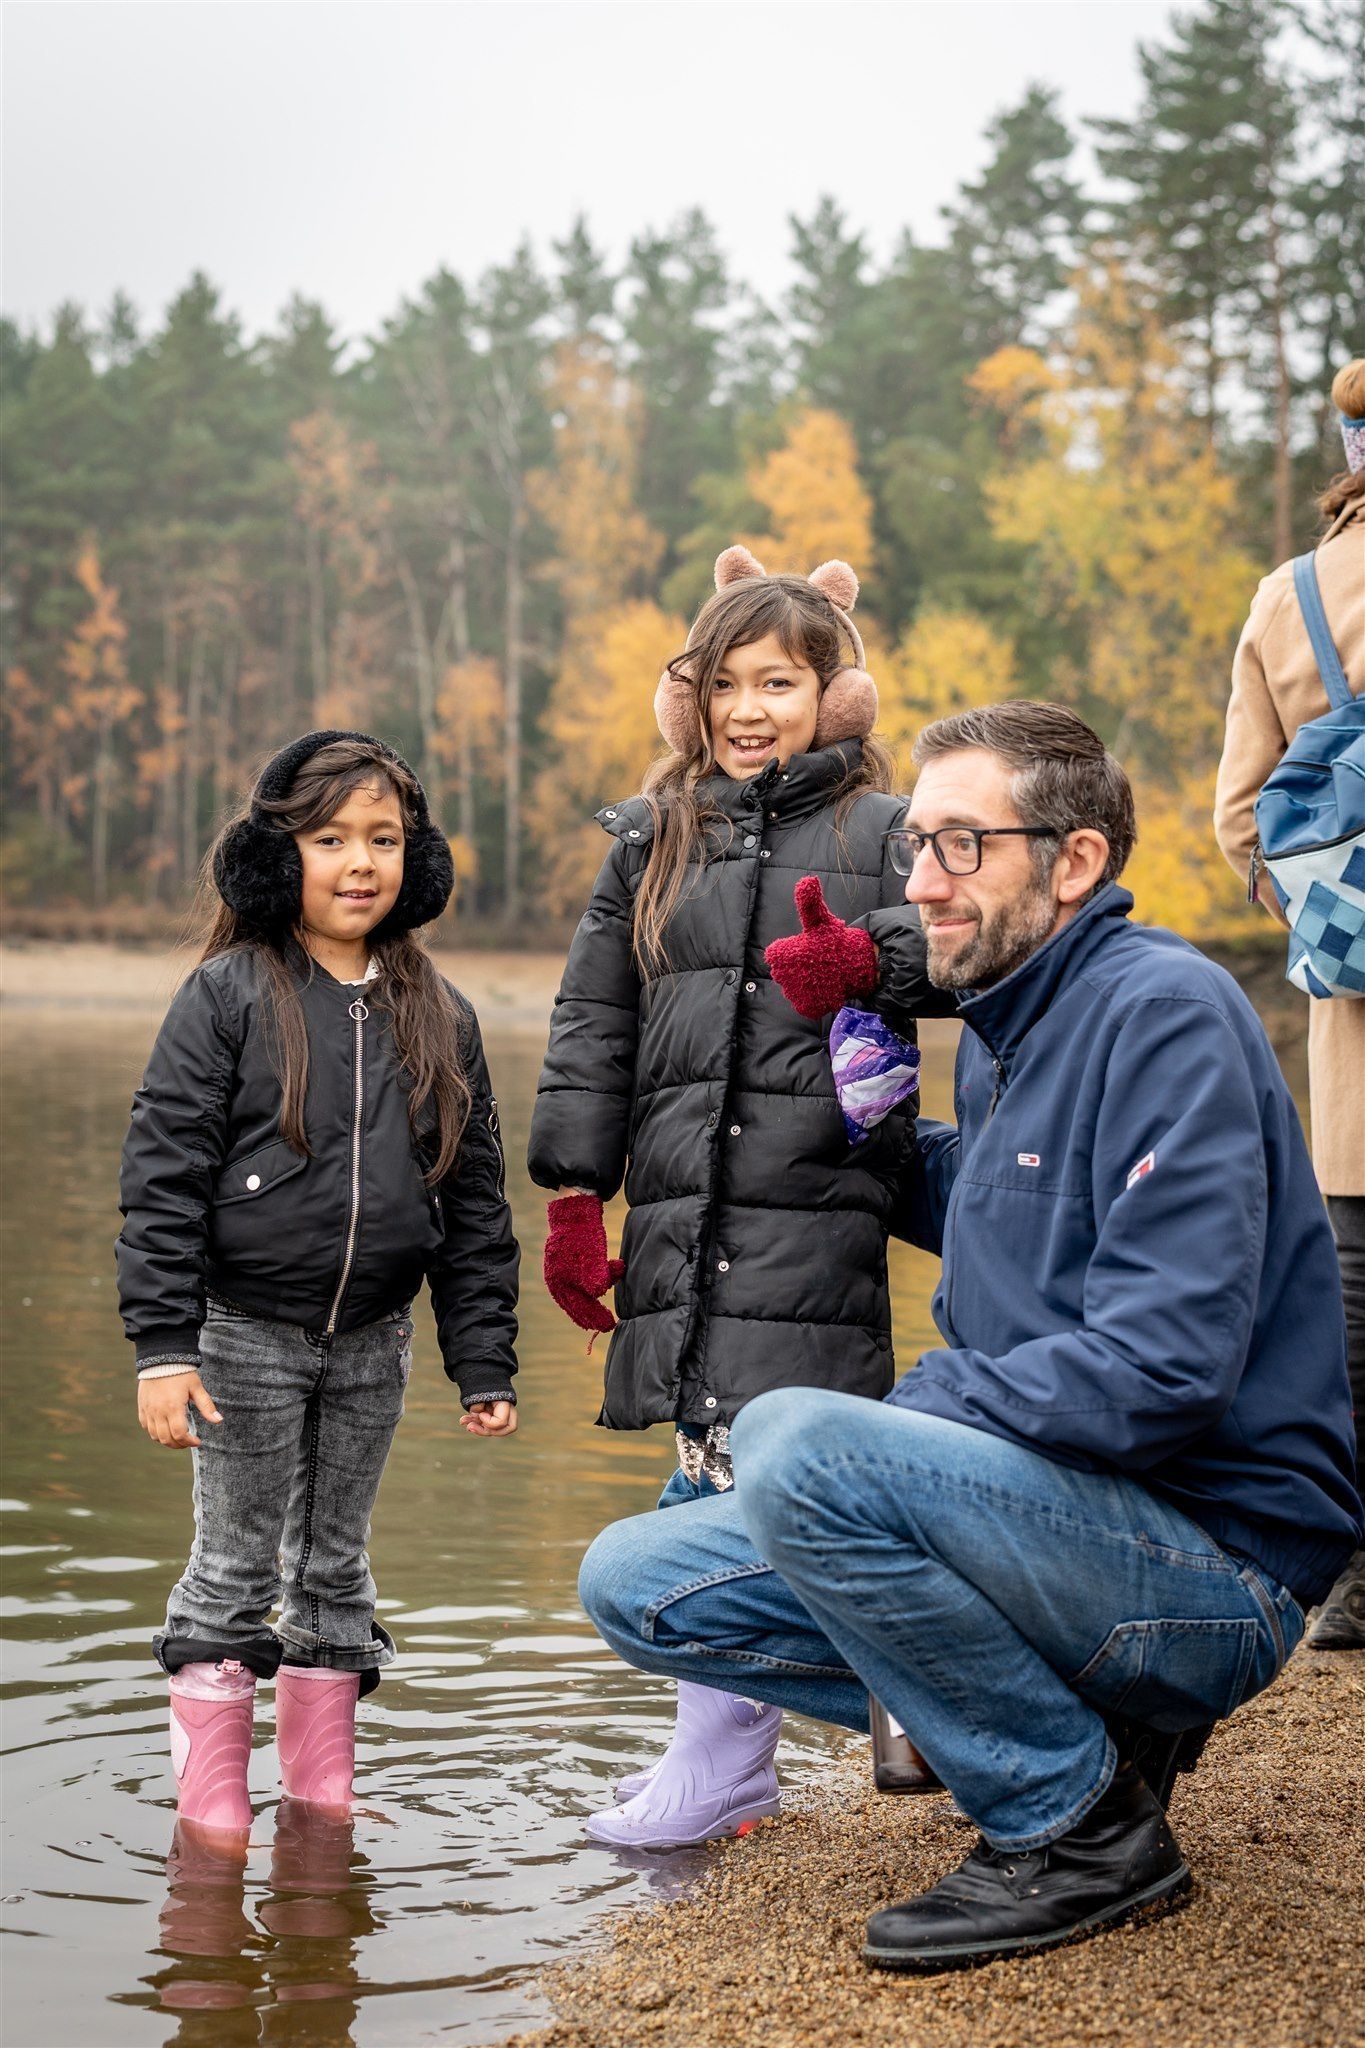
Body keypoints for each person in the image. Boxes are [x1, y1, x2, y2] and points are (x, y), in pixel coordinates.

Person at [578, 701, 1363, 1971]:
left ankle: (1075, 1822)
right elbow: (1020, 1215)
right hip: (1073, 1522)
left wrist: (892, 1429)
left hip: (1215, 1559)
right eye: (915, 846)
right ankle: (1085, 1730)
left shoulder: (1167, 1010)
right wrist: (872, 1135)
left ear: (1074, 862)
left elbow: (1163, 1366)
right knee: (639, 1574)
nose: (921, 884)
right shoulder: (1005, 1029)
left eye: (960, 845)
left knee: (796, 1444)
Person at [528, 546, 948, 1848]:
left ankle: (805, 1738)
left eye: (779, 680)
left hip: (814, 1196)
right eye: (724, 682)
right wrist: (573, 1194)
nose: (748, 707)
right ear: (689, 699)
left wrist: (866, 959)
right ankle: (732, 1759)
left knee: (766, 1465)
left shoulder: (880, 833)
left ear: (836, 695)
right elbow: (594, 1019)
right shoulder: (654, 838)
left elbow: (959, 948)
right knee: (701, 1450)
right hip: (678, 1208)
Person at [117, 731, 520, 1838]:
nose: (359, 860)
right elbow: (160, 1180)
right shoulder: (228, 994)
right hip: (239, 1335)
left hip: (372, 1343)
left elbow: (474, 1208)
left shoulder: (440, 1012)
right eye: (330, 837)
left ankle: (320, 1802)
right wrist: (164, 1347)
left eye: (383, 838)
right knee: (234, 1564)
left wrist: (482, 1358)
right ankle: (212, 1822)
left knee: (336, 1565)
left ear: (416, 859)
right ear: (274, 857)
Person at [1214, 360, 1365, 1650]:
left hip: (1354, 1021)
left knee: (1352, 1284)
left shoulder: (1294, 595)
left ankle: (1352, 1580)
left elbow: (1237, 816)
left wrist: (1331, 930)